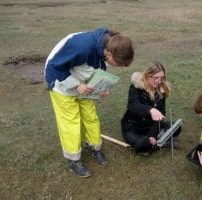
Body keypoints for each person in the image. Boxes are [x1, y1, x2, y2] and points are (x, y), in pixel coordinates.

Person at [44, 28, 134, 177]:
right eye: (118, 64)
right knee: (71, 121)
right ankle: (73, 160)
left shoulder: (109, 44)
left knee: (90, 116)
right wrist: (76, 85)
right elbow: (54, 67)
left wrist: (100, 88)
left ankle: (94, 147)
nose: (118, 67)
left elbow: (96, 68)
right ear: (109, 54)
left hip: (84, 83)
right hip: (62, 83)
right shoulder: (82, 46)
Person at [121, 61, 181, 156]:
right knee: (143, 145)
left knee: (176, 127)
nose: (159, 81)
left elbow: (161, 114)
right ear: (147, 76)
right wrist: (150, 110)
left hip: (150, 126)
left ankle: (156, 142)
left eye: (161, 78)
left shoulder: (161, 90)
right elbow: (133, 105)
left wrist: (152, 135)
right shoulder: (136, 86)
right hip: (133, 127)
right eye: (156, 78)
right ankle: (160, 142)